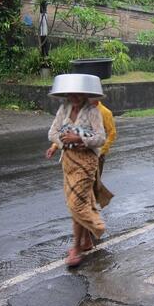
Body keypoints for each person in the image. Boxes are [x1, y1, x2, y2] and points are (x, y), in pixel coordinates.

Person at [46, 91, 106, 267]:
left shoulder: (93, 111)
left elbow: (101, 138)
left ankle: (96, 225)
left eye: (79, 95)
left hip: (86, 163)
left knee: (76, 204)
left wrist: (80, 139)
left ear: (85, 95)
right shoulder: (64, 109)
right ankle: (82, 244)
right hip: (68, 163)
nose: (75, 98)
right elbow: (52, 133)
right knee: (76, 203)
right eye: (72, 95)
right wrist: (65, 142)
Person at [91, 99, 116, 176]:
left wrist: (102, 150)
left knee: (95, 180)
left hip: (98, 152)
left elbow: (112, 133)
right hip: (83, 152)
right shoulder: (83, 110)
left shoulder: (105, 112)